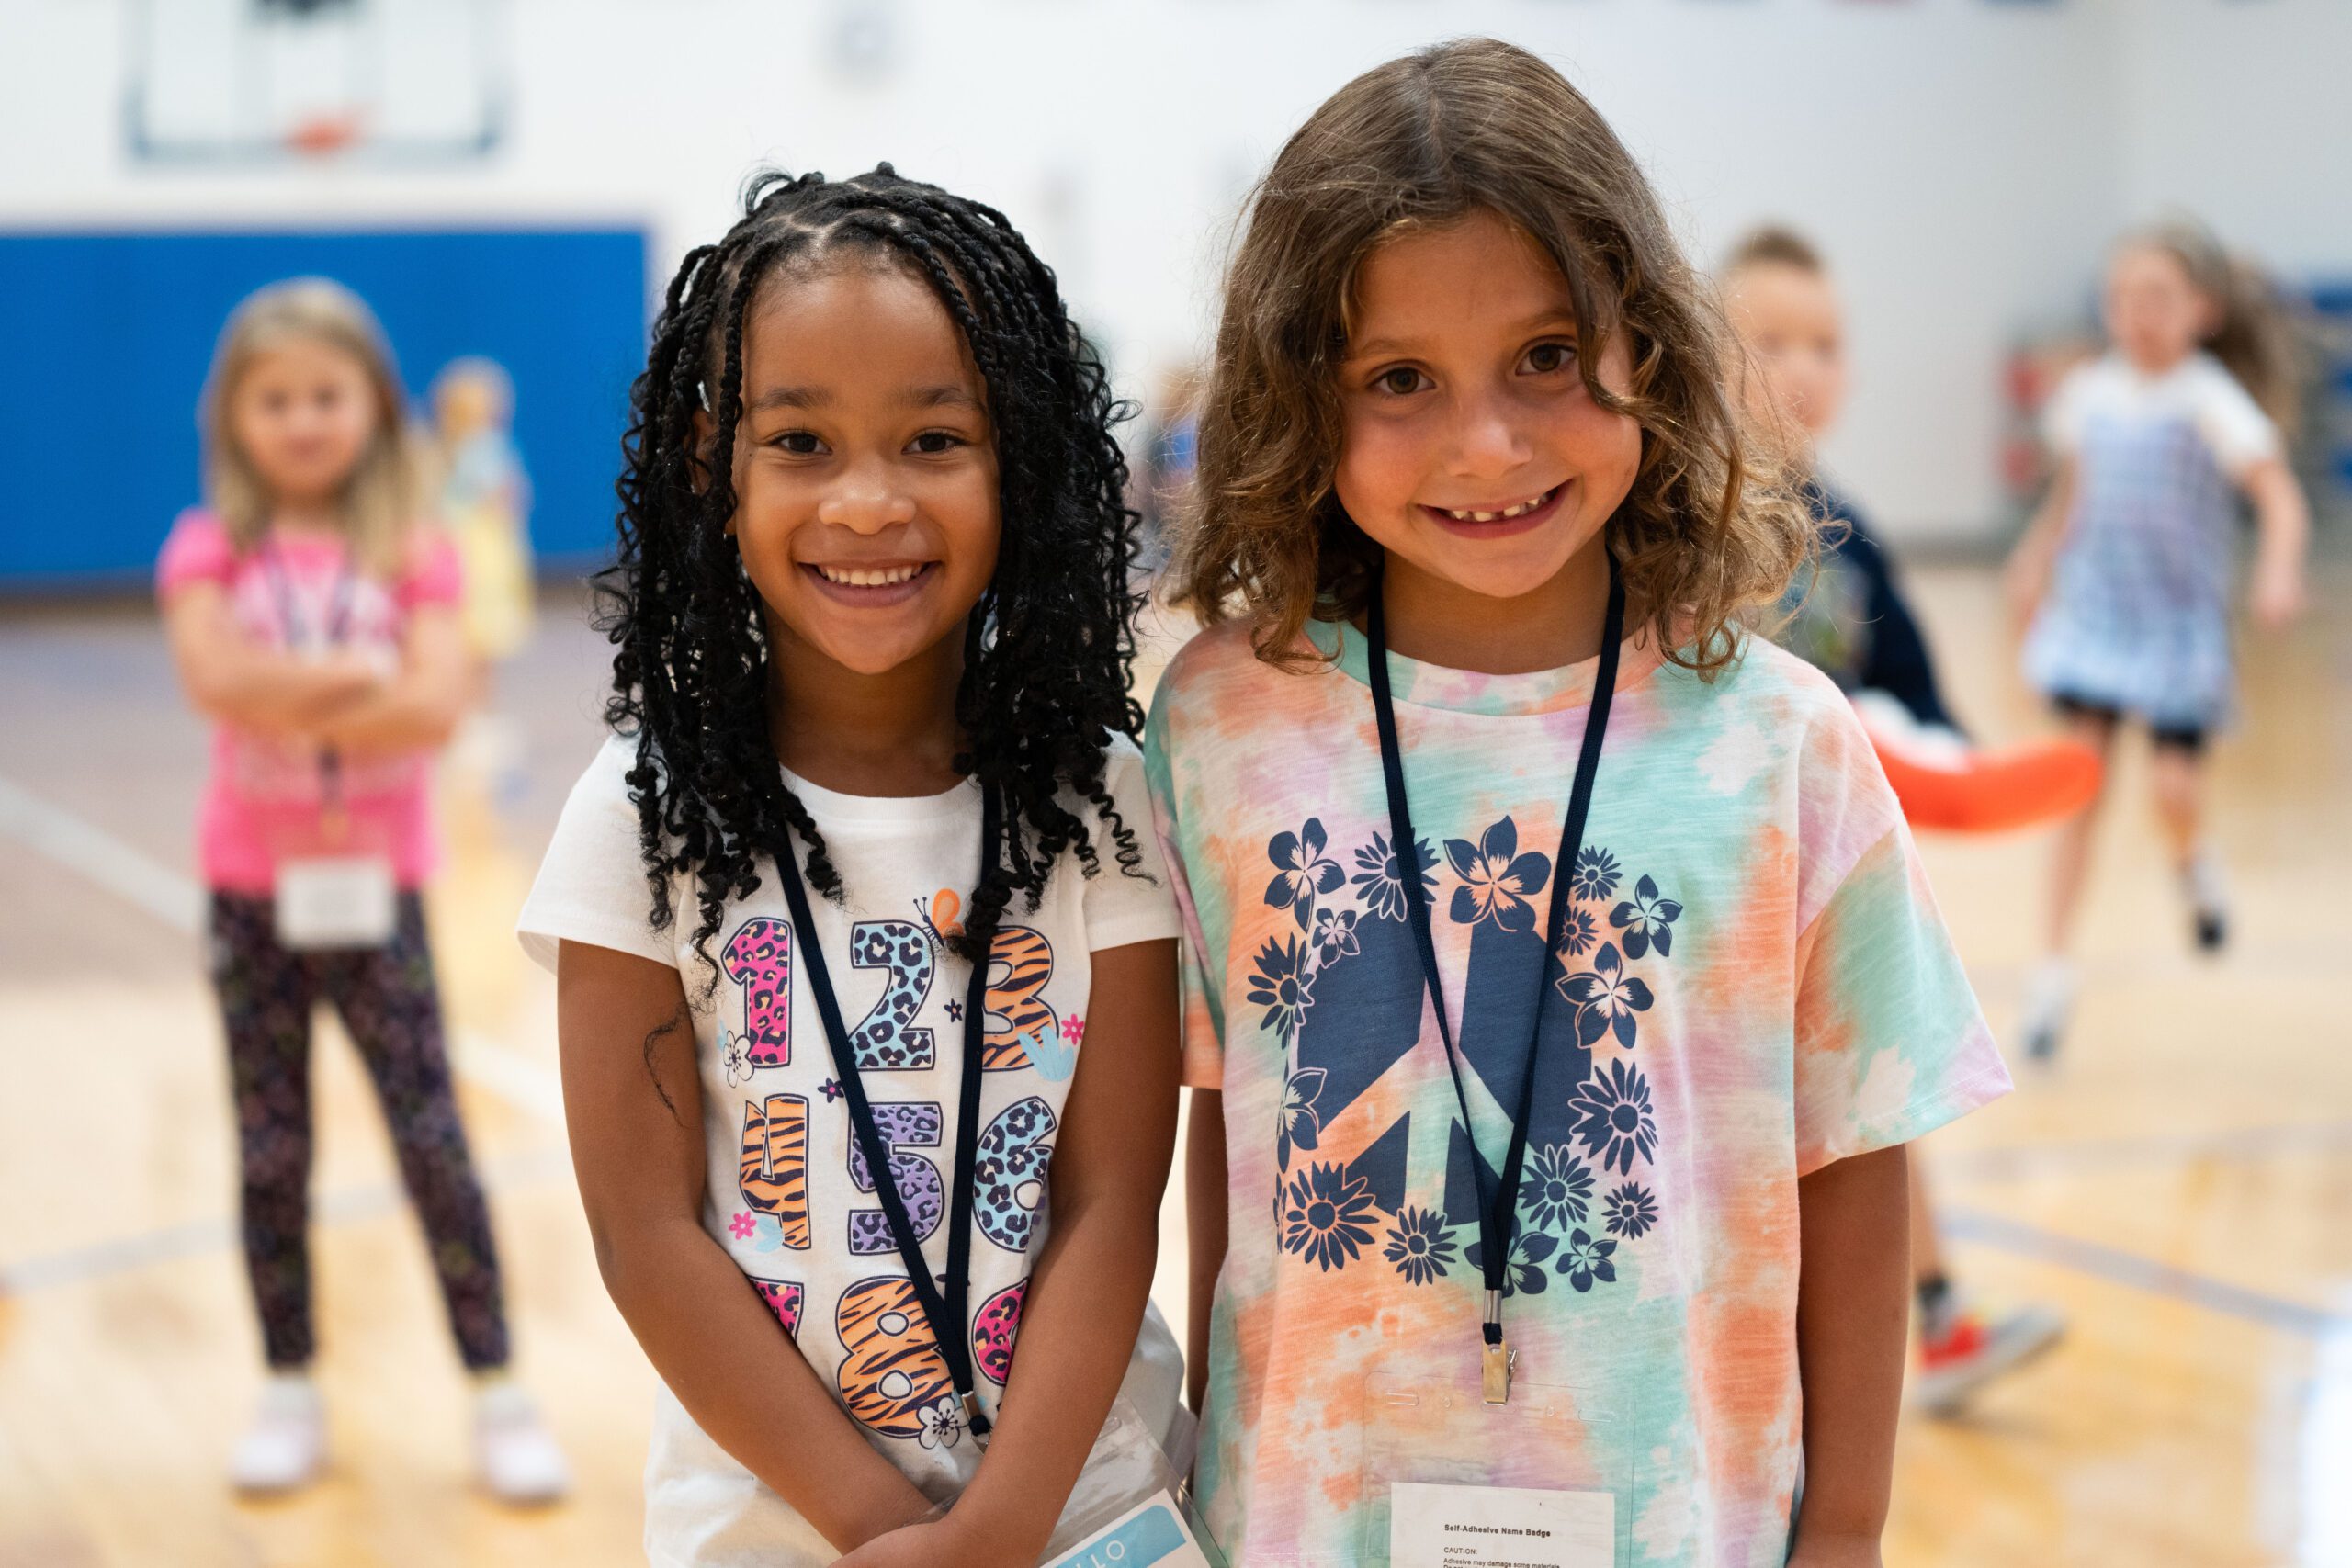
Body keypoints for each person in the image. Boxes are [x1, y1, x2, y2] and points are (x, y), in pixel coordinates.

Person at [1149, 41, 2011, 1567]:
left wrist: (1852, 1530)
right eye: (1399, 379)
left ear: (1654, 354)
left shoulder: (1782, 745)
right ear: (1303, 398)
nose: (1489, 443)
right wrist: (1232, 1459)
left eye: (1548, 356)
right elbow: (1234, 1151)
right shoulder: (1222, 725)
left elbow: (1861, 1162)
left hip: (1688, 1525)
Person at [517, 166, 1184, 1567]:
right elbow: (649, 1236)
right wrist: (887, 1528)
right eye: (803, 443)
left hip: (1088, 1509)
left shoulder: (1104, 805)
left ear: (1023, 465)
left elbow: (1113, 1202)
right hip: (775, 1525)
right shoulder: (640, 817)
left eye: (935, 438)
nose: (868, 501)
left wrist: (996, 1529)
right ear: (719, 470)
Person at [155, 278, 567, 1502]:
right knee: (271, 1149)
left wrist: (285, 677)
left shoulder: (416, 547)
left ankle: (499, 1389)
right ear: (232, 416)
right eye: (272, 398)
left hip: (378, 891)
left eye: (323, 394)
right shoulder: (207, 545)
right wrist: (355, 665)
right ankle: (288, 1383)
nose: (300, 419)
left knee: (432, 1139)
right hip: (250, 892)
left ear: (372, 407)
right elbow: (212, 680)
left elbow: (437, 701)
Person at [1723, 225, 2067, 1416]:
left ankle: (1931, 1317)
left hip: (1826, 895)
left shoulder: (1850, 535)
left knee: (1873, 1099)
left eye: (1826, 342)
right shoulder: (1677, 518)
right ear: (1707, 353)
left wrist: (1945, 751)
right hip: (1708, 898)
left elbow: (1916, 691)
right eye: (1772, 340)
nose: (1805, 366)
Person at [2005, 218, 2311, 1057]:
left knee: (2174, 790)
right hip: (2098, 617)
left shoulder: (2210, 399)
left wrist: (2278, 568)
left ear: (2201, 309)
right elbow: (2072, 497)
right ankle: (2051, 978)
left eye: (2159, 297)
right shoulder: (2089, 395)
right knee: (2079, 789)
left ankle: (2193, 865)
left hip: (2176, 627)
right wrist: (2034, 559)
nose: (2138, 314)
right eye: (2123, 297)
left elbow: (2279, 496)